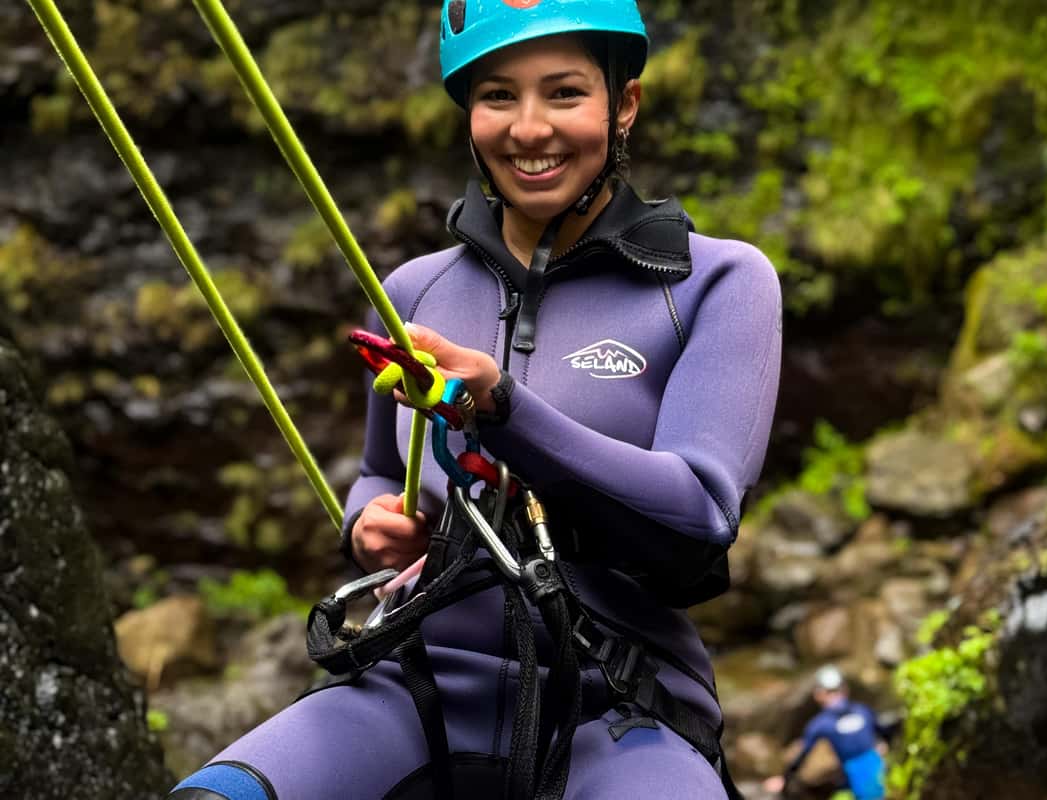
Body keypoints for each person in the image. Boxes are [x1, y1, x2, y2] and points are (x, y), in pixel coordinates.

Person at [167, 0, 781, 797]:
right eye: (498, 96)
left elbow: (700, 515)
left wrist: (504, 408)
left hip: (617, 703)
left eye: (564, 93)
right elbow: (379, 470)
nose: (528, 129)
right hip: (413, 683)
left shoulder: (714, 284)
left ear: (623, 103)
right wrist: (370, 523)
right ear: (468, 114)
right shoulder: (413, 292)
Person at [762, 666, 889, 800]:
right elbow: (884, 730)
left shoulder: (821, 724)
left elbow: (802, 755)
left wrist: (784, 778)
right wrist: (882, 744)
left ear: (819, 695)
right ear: (845, 690)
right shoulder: (862, 710)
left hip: (855, 774)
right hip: (878, 767)